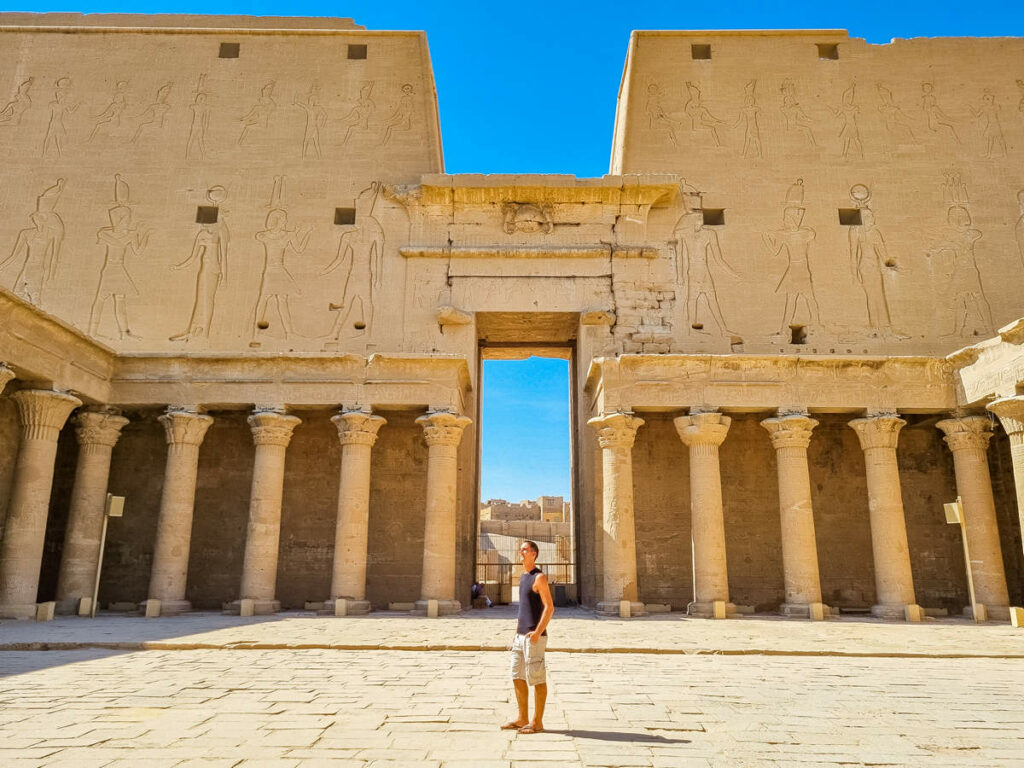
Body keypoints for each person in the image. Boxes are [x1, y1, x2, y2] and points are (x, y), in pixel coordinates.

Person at [501, 540, 554, 735]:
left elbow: (549, 607)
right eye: (520, 550)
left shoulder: (539, 577)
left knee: (537, 678)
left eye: (525, 550)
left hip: (534, 637)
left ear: (534, 554)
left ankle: (537, 721)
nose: (521, 553)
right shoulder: (523, 577)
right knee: (517, 676)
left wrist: (538, 632)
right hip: (520, 636)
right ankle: (522, 717)